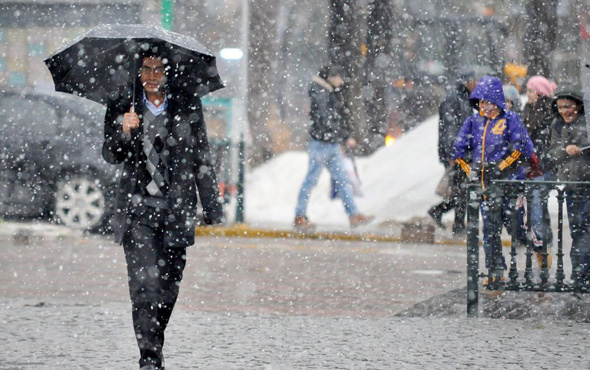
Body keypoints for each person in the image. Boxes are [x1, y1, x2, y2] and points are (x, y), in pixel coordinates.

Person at [102, 50, 224, 370]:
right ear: (138, 71)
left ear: (169, 73)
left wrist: (212, 207)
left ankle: (154, 340)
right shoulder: (122, 104)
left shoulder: (187, 105)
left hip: (177, 210)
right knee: (145, 287)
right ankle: (150, 358)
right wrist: (124, 130)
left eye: (158, 69)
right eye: (146, 69)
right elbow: (111, 155)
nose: (152, 75)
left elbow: (201, 159)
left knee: (168, 289)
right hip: (137, 211)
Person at [451, 76, 539, 283]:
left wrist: (500, 168)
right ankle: (495, 272)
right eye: (481, 102)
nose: (484, 106)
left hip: (509, 185)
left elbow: (522, 149)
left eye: (488, 101)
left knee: (517, 228)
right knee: (490, 231)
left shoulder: (511, 119)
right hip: (486, 188)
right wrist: (469, 169)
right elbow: (458, 150)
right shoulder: (473, 121)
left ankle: (539, 247)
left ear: (497, 101)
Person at [294, 65, 373, 230]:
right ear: (330, 77)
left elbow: (330, 119)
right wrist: (343, 137)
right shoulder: (321, 93)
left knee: (341, 180)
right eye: (339, 77)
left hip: (329, 143)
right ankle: (300, 215)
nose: (341, 81)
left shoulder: (325, 92)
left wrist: (340, 137)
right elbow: (327, 119)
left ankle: (353, 214)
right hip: (322, 144)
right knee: (313, 180)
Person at [547, 81, 590, 287]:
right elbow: (552, 153)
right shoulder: (557, 126)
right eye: (561, 107)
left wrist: (582, 147)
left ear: (579, 105)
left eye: (568, 106)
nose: (564, 111)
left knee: (583, 228)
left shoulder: (587, 123)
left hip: (586, 184)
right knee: (577, 229)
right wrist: (566, 150)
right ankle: (581, 274)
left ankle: (581, 275)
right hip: (570, 187)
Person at [427, 68, 477, 235]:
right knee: (462, 188)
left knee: (461, 188)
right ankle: (457, 224)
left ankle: (440, 212)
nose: (475, 84)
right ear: (467, 82)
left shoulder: (463, 99)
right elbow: (449, 128)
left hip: (461, 152)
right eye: (473, 81)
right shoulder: (454, 100)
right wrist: (453, 152)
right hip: (456, 153)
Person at [522, 76, 557, 267]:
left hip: (544, 168)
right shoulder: (527, 111)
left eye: (530, 91)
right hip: (530, 168)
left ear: (540, 93)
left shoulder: (550, 114)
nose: (527, 95)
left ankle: (541, 246)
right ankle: (545, 242)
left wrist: (539, 160)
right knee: (537, 207)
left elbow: (547, 144)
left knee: (536, 203)